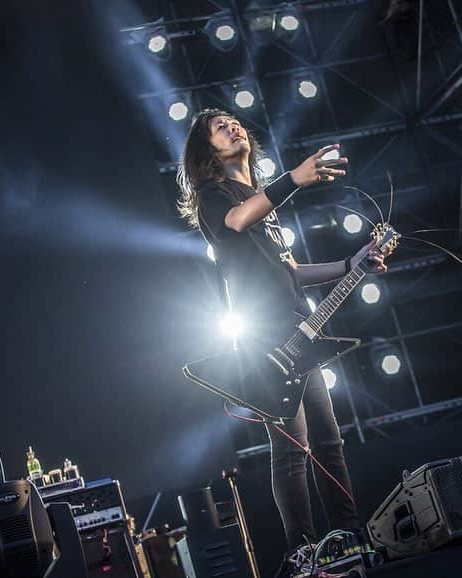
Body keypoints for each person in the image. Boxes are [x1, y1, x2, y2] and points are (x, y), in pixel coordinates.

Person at [177, 109, 387, 574]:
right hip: (263, 336)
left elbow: (291, 270)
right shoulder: (215, 197)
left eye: (234, 121)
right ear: (207, 150)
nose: (232, 127)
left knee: (329, 441)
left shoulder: (258, 196)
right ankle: (301, 553)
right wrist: (293, 178)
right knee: (293, 447)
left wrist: (349, 265)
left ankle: (348, 538)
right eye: (219, 127)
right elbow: (235, 221)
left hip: (299, 328)